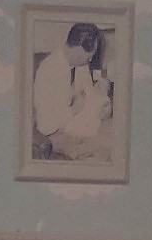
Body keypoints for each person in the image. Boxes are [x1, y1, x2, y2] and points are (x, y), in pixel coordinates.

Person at [31, 22, 111, 162]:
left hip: (79, 123)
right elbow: (45, 126)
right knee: (107, 150)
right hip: (57, 134)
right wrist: (73, 110)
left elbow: (88, 92)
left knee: (115, 132)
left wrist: (104, 105)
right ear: (79, 49)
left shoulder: (80, 64)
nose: (90, 59)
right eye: (89, 55)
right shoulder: (47, 72)